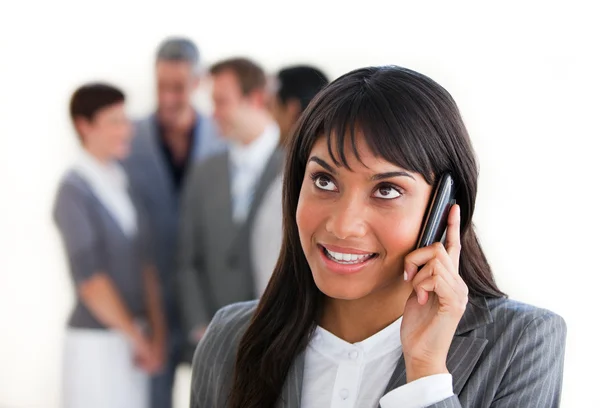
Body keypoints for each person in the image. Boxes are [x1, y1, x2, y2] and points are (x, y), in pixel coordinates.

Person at [190, 66, 567, 408]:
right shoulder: (231, 337)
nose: (343, 225)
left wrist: (426, 373)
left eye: (386, 190)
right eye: (324, 181)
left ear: (444, 207)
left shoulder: (521, 344)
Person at [122, 37, 225, 408]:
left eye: (178, 87)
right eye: (161, 86)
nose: (167, 97)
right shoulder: (129, 138)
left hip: (208, 297)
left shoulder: (221, 135)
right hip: (147, 300)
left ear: (197, 83)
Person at [53, 83, 166, 408]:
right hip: (96, 347)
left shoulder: (121, 181)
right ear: (84, 126)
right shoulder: (74, 190)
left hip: (134, 342)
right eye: (114, 122)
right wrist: (138, 338)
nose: (127, 130)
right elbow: (90, 281)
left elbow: (146, 264)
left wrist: (155, 335)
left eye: (125, 120)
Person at [177, 57, 283, 361]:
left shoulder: (298, 166)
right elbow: (187, 259)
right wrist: (200, 327)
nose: (214, 114)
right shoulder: (203, 172)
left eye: (222, 102)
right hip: (215, 344)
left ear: (256, 99)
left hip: (278, 342)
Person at [250, 65, 329, 295]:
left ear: (292, 109)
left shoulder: (307, 182)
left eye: (272, 106)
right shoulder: (284, 169)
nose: (269, 115)